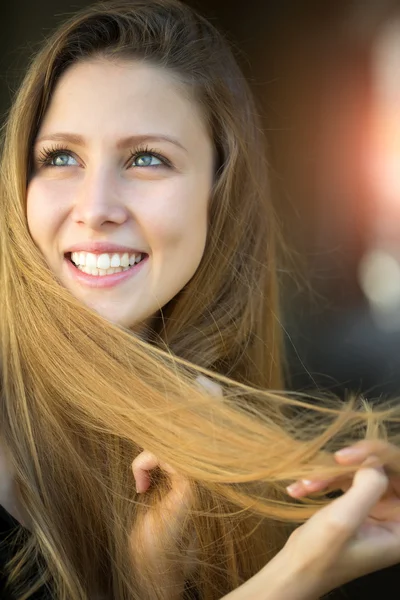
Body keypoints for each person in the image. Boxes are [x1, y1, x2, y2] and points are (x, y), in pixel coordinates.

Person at [1, 0, 400, 598]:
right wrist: (294, 578)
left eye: (146, 159)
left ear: (221, 192)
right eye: (61, 158)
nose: (94, 207)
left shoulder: (229, 429)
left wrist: (148, 583)